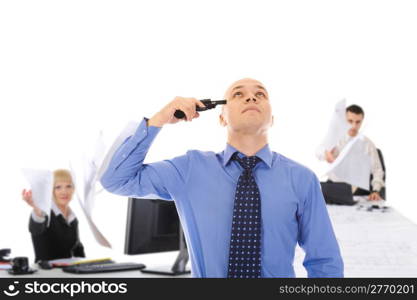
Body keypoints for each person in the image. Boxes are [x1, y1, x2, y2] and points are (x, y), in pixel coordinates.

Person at [101, 78, 343, 278]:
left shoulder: (302, 179)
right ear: (221, 117)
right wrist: (158, 119)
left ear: (272, 119)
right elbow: (116, 180)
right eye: (238, 94)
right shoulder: (189, 169)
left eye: (261, 94)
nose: (251, 97)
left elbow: (324, 262)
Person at [318, 104, 385, 201]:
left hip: (358, 190)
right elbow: (318, 151)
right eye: (350, 121)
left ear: (362, 121)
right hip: (334, 186)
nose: (354, 126)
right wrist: (325, 154)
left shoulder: (368, 144)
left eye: (358, 122)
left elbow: (377, 169)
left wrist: (376, 190)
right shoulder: (335, 139)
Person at [22, 169, 85, 262]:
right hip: (47, 273)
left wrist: (86, 266)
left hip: (69, 272)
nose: (64, 191)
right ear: (50, 190)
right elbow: (36, 229)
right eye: (58, 187)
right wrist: (37, 209)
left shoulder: (73, 218)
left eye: (68, 186)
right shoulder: (44, 213)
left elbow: (77, 248)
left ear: (73, 189)